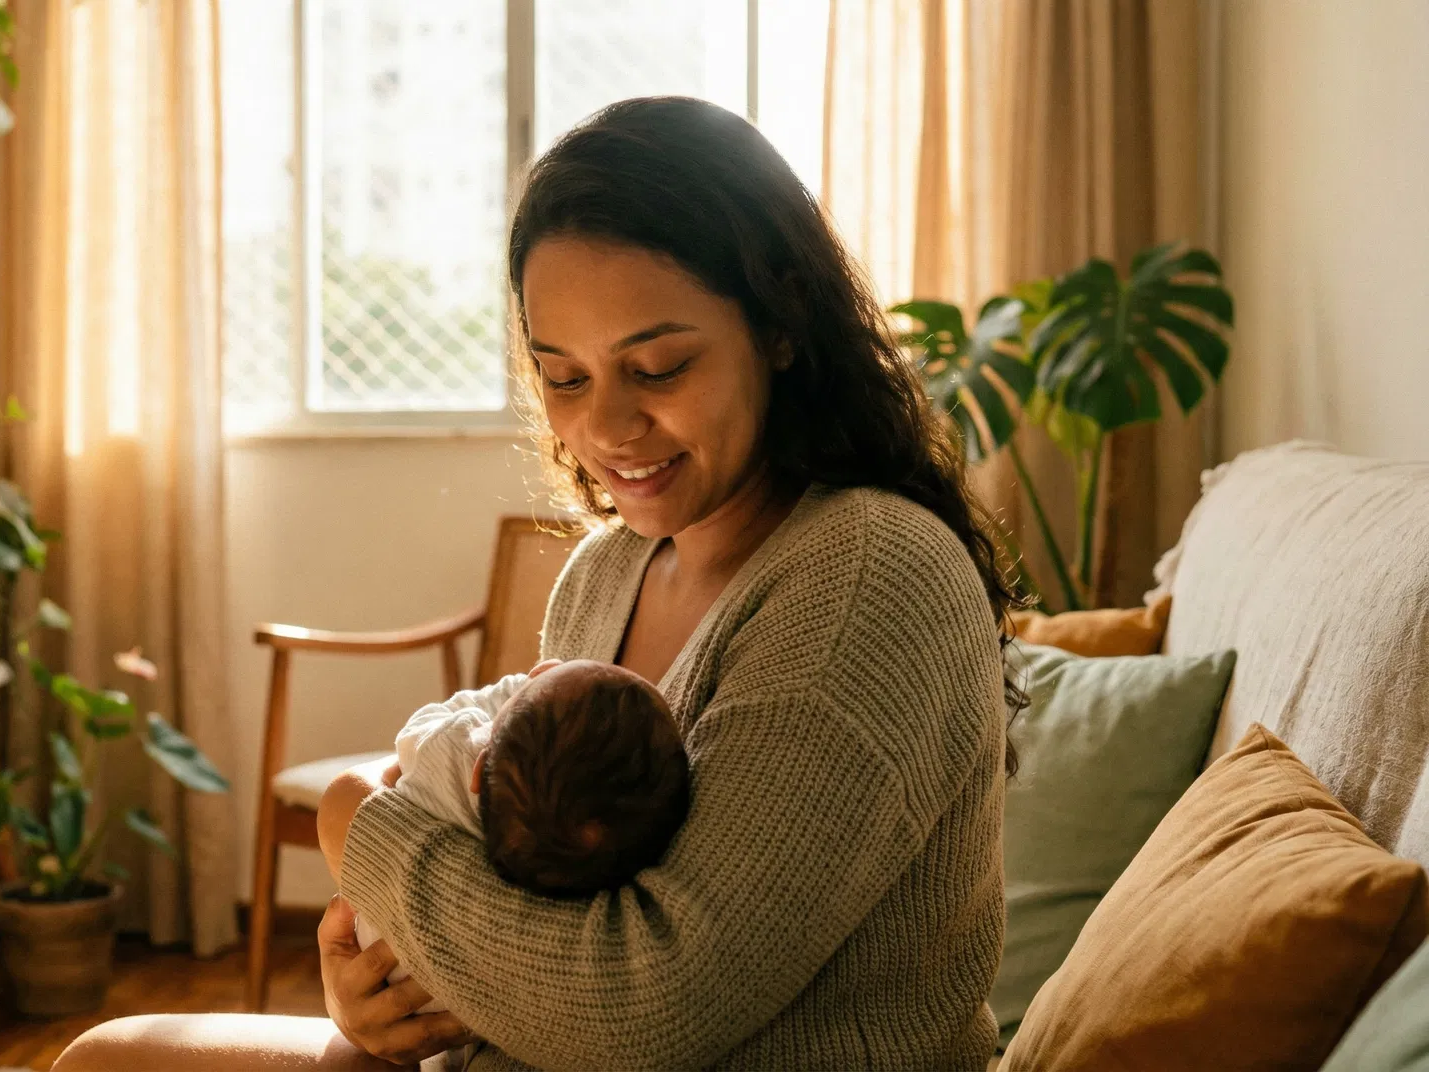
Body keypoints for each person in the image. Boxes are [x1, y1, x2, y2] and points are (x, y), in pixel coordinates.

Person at [53, 95, 1024, 1071]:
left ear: (780, 325)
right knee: (106, 1056)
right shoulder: (606, 572)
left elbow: (644, 1004)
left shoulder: (868, 572)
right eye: (564, 378)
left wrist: (360, 829)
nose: (606, 427)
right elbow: (511, 889)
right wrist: (373, 993)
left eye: (657, 366)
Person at [335, 657, 691, 1021]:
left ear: (478, 771)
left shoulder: (450, 749)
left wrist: (515, 689)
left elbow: (421, 728)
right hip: (459, 1011)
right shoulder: (586, 877)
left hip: (379, 959)